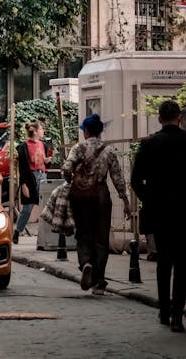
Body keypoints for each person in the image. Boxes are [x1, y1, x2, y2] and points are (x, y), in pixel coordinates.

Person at [131, 99, 186, 332]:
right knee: (184, 263)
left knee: (164, 261)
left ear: (159, 118)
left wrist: (150, 198)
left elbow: (136, 180)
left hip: (160, 211)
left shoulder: (149, 144)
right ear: (179, 118)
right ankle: (177, 316)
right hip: (185, 211)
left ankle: (164, 311)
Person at [62, 113, 131, 296]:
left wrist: (74, 180)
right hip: (101, 195)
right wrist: (125, 201)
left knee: (83, 233)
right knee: (101, 239)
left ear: (86, 131)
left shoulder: (78, 148)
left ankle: (86, 262)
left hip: (81, 195)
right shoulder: (108, 151)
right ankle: (99, 283)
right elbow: (117, 177)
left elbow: (66, 169)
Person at [12, 121, 51, 244]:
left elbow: (43, 162)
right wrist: (24, 185)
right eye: (41, 129)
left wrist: (47, 160)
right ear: (35, 131)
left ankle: (45, 235)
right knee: (27, 208)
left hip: (42, 176)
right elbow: (23, 167)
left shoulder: (43, 145)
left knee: (45, 206)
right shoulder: (24, 146)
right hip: (30, 178)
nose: (43, 131)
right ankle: (17, 231)